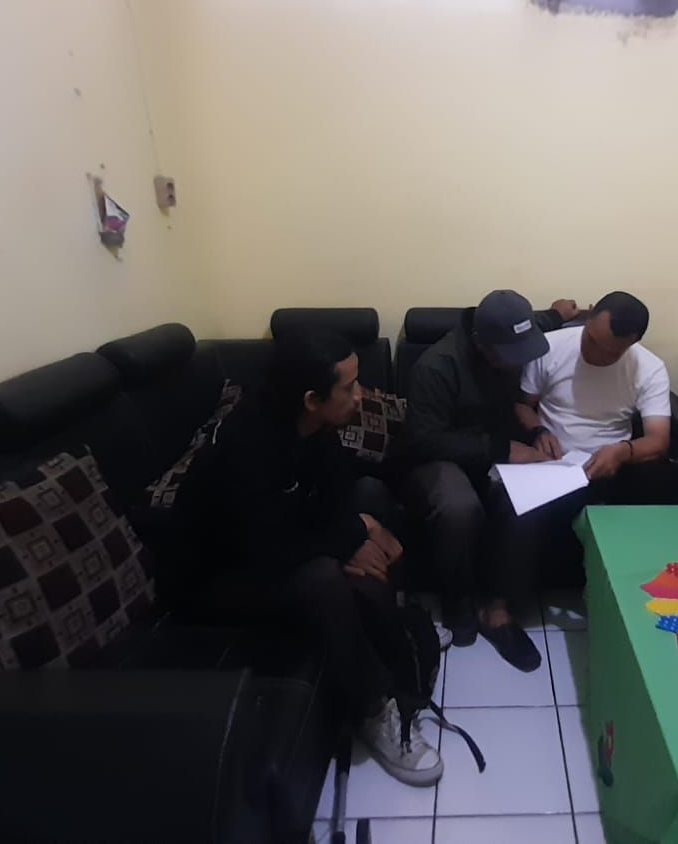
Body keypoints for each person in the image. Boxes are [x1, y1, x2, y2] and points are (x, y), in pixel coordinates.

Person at [207, 331, 442, 787]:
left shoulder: (314, 426)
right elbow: (261, 547)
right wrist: (347, 539)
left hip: (273, 539)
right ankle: (372, 708)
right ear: (312, 399)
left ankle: (398, 626)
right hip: (224, 572)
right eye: (350, 388)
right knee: (322, 577)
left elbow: (336, 491)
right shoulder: (245, 447)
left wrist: (360, 528)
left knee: (370, 496)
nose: (362, 395)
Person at [397, 291, 579, 672]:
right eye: (510, 354)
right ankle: (458, 599)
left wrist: (563, 312)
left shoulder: (513, 331)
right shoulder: (437, 367)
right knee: (459, 507)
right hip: (441, 458)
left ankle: (497, 611)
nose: (519, 362)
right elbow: (422, 441)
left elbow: (543, 320)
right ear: (481, 342)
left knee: (528, 499)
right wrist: (502, 448)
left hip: (496, 455)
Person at [517, 290, 672, 498]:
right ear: (589, 316)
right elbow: (523, 405)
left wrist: (622, 452)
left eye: (611, 353)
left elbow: (658, 440)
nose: (595, 355)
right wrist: (538, 431)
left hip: (612, 467)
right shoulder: (549, 347)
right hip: (551, 463)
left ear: (633, 342)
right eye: (591, 340)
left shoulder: (650, 369)